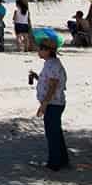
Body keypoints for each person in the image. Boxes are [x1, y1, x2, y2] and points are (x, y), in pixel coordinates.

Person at [30, 37, 69, 170]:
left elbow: (53, 86)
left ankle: (55, 163)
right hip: (54, 103)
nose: (38, 51)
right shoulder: (50, 64)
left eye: (41, 48)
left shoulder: (53, 65)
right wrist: (37, 77)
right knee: (56, 132)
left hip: (54, 103)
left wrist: (44, 104)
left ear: (48, 51)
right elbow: (48, 82)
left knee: (52, 133)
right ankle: (62, 159)